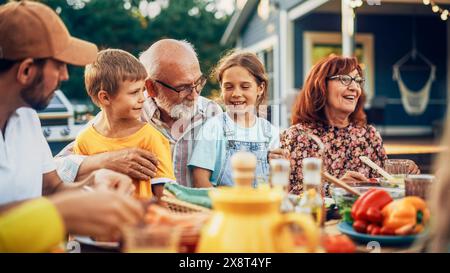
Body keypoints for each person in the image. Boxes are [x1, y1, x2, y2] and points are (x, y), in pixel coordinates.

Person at [0, 1, 143, 251]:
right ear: (26, 71)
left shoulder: (27, 117)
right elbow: (53, 205)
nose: (66, 76)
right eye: (59, 66)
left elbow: (52, 188)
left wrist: (92, 182)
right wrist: (58, 213)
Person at [280, 55, 418, 195]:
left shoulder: (369, 135)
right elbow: (289, 193)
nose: (354, 87)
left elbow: (384, 183)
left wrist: (403, 176)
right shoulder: (297, 136)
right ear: (321, 85)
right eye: (345, 79)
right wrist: (335, 188)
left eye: (358, 80)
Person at [73, 49, 176, 199]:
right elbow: (81, 192)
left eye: (143, 90)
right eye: (134, 92)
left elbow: (164, 198)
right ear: (105, 98)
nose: (143, 98)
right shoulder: (84, 140)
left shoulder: (151, 137)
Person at [188, 51, 280, 187]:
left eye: (245, 86)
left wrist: (279, 166)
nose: (236, 94)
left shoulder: (270, 132)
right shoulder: (214, 127)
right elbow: (200, 181)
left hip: (260, 206)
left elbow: (276, 185)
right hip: (223, 206)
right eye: (229, 87)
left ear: (260, 88)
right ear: (221, 89)